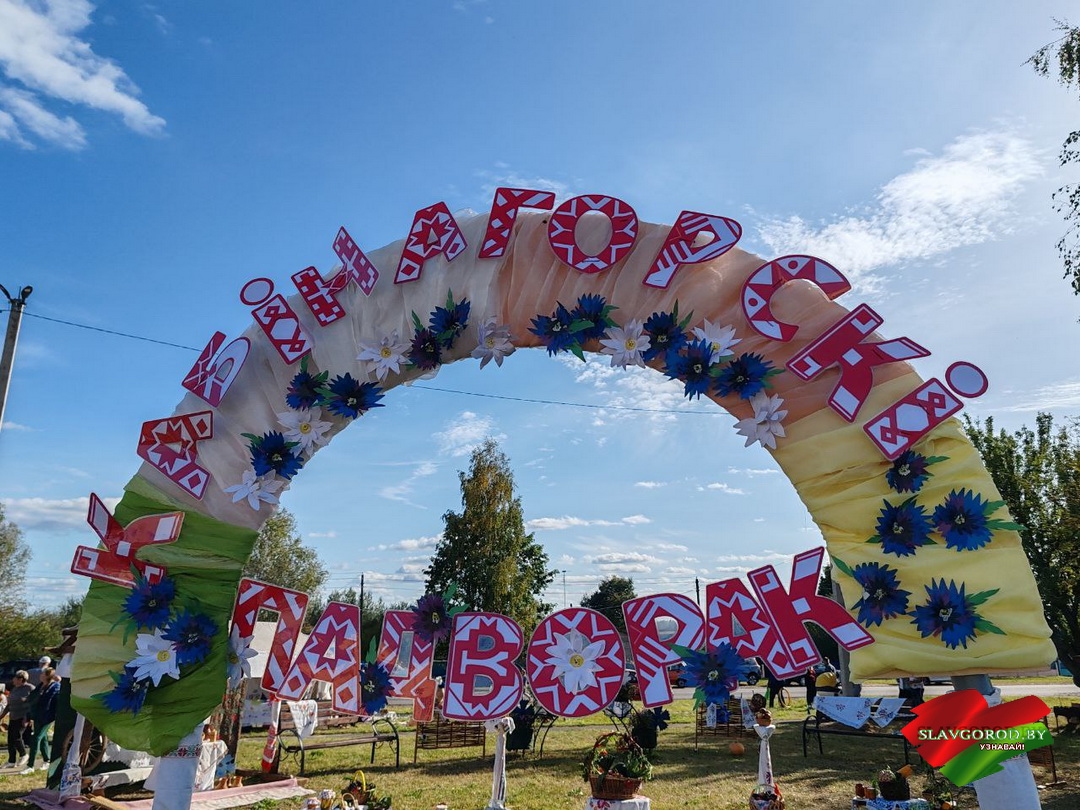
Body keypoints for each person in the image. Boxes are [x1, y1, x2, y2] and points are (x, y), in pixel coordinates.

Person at [23, 668, 60, 774]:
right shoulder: (41, 686)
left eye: (43, 674)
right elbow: (33, 698)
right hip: (38, 715)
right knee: (43, 738)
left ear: (48, 676)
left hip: (47, 717)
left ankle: (30, 765)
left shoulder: (55, 687)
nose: (40, 675)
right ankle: (47, 760)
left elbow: (50, 703)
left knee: (36, 738)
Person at [0, 671, 33, 770]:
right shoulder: (14, 689)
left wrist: (29, 718)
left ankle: (24, 754)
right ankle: (11, 761)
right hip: (13, 717)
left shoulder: (29, 688)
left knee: (17, 737)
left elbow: (33, 704)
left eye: (15, 677)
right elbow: (9, 704)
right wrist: (2, 716)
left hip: (23, 717)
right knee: (10, 739)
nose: (13, 679)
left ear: (20, 679)